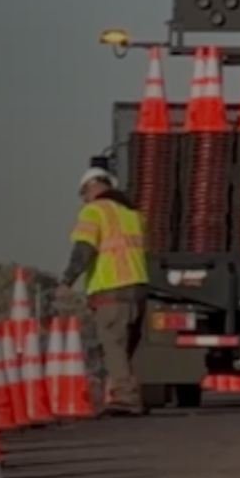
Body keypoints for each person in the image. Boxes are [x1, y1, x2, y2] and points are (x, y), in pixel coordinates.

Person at [61, 166, 150, 417]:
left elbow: (83, 249)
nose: (83, 199)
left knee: (112, 344)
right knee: (125, 346)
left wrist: (67, 280)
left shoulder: (94, 211)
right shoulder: (133, 214)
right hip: (138, 288)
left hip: (111, 289)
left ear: (91, 187)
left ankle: (125, 397)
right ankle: (128, 392)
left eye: (83, 193)